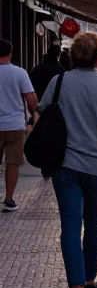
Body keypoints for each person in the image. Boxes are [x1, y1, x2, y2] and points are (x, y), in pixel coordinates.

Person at [37, 31, 97, 288]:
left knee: (71, 226)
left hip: (65, 166)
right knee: (95, 224)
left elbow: (41, 112)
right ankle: (89, 280)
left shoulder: (59, 81)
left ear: (73, 56)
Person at [0, 39, 38, 212]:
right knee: (13, 163)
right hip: (15, 125)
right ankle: (9, 199)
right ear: (11, 53)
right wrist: (35, 117)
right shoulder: (19, 73)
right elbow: (31, 100)